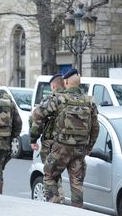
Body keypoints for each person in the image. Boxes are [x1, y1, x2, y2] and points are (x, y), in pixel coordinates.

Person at [30, 68, 99, 207]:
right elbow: (95, 127)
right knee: (77, 183)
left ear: (66, 81)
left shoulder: (59, 99)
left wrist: (33, 137)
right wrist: (89, 146)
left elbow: (37, 114)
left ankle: (55, 208)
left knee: (50, 176)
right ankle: (77, 212)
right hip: (80, 149)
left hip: (61, 148)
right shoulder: (89, 101)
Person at [30, 74, 65, 202]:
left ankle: (55, 202)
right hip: (71, 144)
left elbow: (36, 119)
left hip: (51, 143)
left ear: (54, 86)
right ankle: (60, 198)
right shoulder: (72, 99)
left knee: (50, 174)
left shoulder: (50, 101)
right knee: (60, 174)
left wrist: (33, 140)